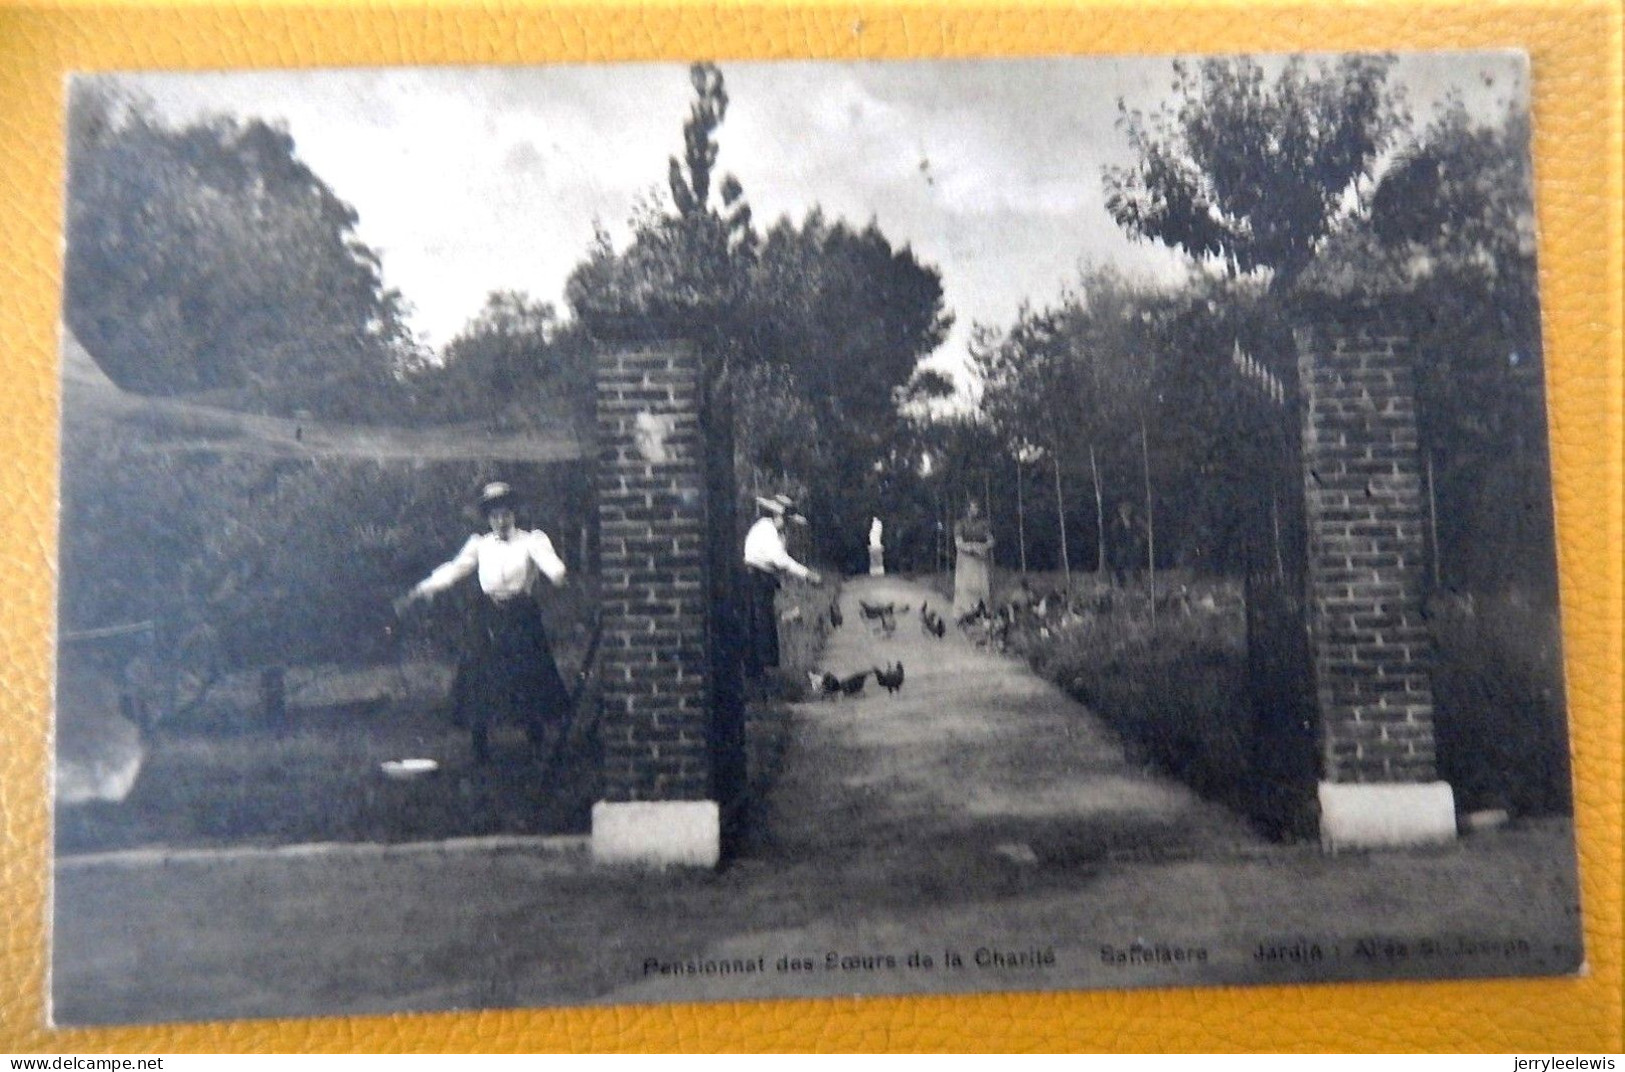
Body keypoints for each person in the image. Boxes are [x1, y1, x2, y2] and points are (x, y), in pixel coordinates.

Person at [395, 481, 571, 764]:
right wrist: (425, 588)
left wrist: (557, 573)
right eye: (495, 515)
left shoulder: (531, 541)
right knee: (479, 675)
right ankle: (480, 742)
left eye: (506, 514)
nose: (501, 520)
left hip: (520, 614)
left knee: (527, 672)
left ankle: (534, 736)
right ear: (488, 518)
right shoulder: (480, 545)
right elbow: (455, 569)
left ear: (514, 514)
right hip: (487, 614)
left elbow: (549, 562)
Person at [742, 494, 822, 676]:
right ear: (778, 516)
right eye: (786, 520)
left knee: (763, 622)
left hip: (761, 578)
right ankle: (758, 672)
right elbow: (780, 560)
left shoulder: (772, 531)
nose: (787, 524)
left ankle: (761, 671)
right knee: (760, 623)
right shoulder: (766, 530)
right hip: (756, 578)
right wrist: (807, 574)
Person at [953, 498, 993, 619]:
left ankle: (982, 610)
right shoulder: (960, 524)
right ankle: (964, 611)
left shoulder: (983, 524)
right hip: (965, 560)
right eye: (973, 508)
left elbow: (991, 540)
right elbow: (958, 543)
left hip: (980, 560)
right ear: (967, 510)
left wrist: (983, 547)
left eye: (977, 508)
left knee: (981, 586)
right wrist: (971, 548)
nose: (975, 510)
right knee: (965, 586)